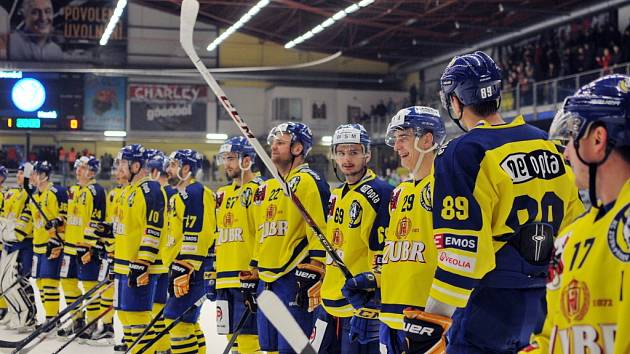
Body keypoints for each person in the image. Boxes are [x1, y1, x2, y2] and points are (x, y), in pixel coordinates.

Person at [401, 51, 584, 354]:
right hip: (547, 303)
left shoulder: (463, 152)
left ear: (455, 102)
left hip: (490, 308)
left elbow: (461, 252)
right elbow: (574, 227)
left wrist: (432, 319)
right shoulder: (546, 143)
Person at [522, 74, 630, 353]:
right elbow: (554, 336)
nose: (566, 153)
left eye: (571, 138)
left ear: (597, 139)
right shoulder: (570, 238)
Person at [343, 108, 446, 353]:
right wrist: (373, 283)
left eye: (404, 137)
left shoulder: (445, 185)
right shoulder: (398, 193)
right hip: (390, 315)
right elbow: (393, 254)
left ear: (427, 139)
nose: (396, 146)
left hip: (426, 319)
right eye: (395, 139)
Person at [311, 124, 393, 353]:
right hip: (329, 301)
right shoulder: (337, 193)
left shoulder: (381, 193)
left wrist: (374, 301)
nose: (347, 158)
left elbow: (384, 252)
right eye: (341, 152)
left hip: (359, 303)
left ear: (367, 153)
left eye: (354, 152)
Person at [251, 122, 330, 354]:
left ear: (297, 148)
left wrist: (316, 268)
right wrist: (253, 268)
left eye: (281, 143)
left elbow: (319, 228)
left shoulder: (308, 180)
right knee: (270, 347)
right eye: (273, 143)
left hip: (293, 279)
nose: (274, 147)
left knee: (295, 349)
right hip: (267, 280)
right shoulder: (268, 186)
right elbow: (261, 232)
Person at [112, 144, 168, 354]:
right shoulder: (127, 191)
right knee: (124, 314)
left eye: (123, 164)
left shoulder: (151, 189)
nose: (119, 168)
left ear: (136, 165)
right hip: (124, 263)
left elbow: (154, 227)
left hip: (141, 266)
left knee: (137, 315)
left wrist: (143, 261)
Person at [163, 149, 216, 354]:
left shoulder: (196, 193)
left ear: (186, 168)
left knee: (176, 319)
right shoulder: (180, 196)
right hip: (183, 267)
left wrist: (186, 265)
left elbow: (200, 232)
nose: (168, 169)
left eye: (173, 165)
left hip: (193, 268)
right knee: (187, 320)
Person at [215, 137, 262, 353]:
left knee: (249, 337)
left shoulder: (260, 190)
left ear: (247, 160)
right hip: (224, 276)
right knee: (229, 335)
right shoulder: (222, 194)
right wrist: (212, 272)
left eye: (232, 158)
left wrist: (257, 269)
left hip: (247, 277)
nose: (227, 163)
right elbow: (219, 235)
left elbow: (264, 234)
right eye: (225, 158)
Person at [29, 160, 68, 325]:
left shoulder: (56, 191)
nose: (31, 177)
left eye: (35, 173)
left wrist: (56, 222)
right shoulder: (33, 197)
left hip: (52, 244)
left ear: (43, 175)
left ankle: (52, 318)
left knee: (49, 281)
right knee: (39, 282)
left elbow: (65, 217)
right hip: (37, 245)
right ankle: (51, 315)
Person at [0, 164, 37, 331]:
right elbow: (8, 215)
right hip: (11, 242)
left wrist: (16, 233)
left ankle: (30, 315)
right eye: (19, 172)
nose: (18, 175)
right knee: (7, 281)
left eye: (22, 173)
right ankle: (15, 312)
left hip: (23, 243)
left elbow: (27, 217)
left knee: (20, 279)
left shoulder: (30, 194)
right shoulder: (17, 193)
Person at [143, 148, 173, 353]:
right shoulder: (171, 192)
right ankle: (162, 347)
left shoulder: (161, 193)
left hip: (158, 260)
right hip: (164, 259)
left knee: (154, 307)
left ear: (154, 172)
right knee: (157, 306)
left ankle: (160, 346)